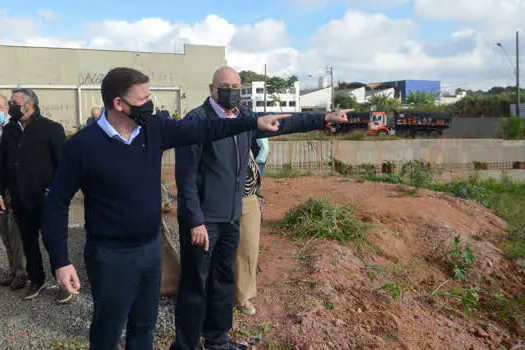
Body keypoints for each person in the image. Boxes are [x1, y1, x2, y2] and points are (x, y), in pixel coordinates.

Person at [42, 67, 292, 350]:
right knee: (108, 329)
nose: (151, 103)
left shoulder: (153, 130)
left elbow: (205, 128)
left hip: (151, 251)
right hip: (110, 257)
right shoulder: (83, 146)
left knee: (144, 327)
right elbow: (56, 204)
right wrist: (61, 261)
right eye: (144, 97)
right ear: (118, 104)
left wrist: (254, 123)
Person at [172, 66, 351, 350]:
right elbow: (186, 178)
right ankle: (186, 346)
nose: (232, 91)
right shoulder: (197, 121)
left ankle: (218, 341)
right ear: (211, 89)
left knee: (223, 281)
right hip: (203, 222)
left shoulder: (244, 118)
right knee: (195, 286)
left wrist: (324, 118)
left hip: (231, 217)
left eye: (236, 85)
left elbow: (286, 122)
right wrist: (195, 221)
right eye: (225, 86)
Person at [0, 88, 68, 302]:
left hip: (46, 199)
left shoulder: (51, 129)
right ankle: (37, 280)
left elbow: (64, 166)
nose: (11, 106)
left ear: (30, 104)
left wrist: (54, 191)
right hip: (20, 200)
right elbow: (2, 165)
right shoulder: (10, 130)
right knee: (29, 243)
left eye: (14, 102)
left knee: (52, 242)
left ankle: (65, 283)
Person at [0, 95, 26, 291]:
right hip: (2, 188)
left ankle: (20, 272)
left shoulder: (16, 128)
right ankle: (13, 270)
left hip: (15, 189)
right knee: (5, 234)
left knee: (14, 232)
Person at [234, 151, 262, 316]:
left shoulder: (246, 135)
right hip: (223, 199)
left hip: (249, 199)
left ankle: (243, 296)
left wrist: (258, 196)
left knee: (248, 249)